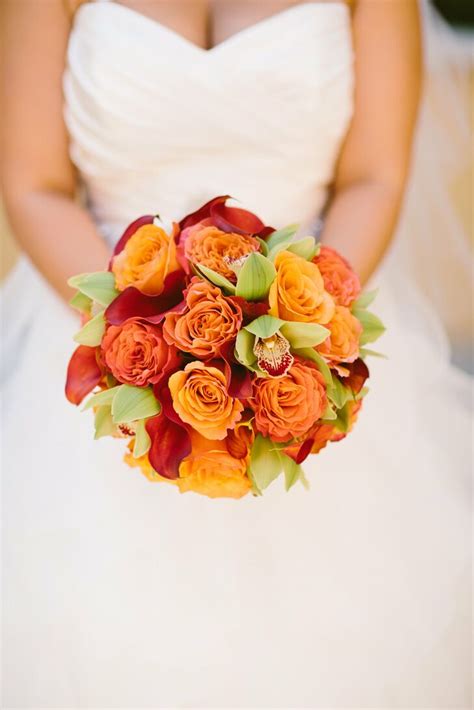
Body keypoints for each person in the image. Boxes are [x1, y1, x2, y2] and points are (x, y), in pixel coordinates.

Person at [1, 0, 471, 706]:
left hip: (307, 332)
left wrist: (296, 328)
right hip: (102, 335)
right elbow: (33, 186)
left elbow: (374, 175)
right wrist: (148, 344)